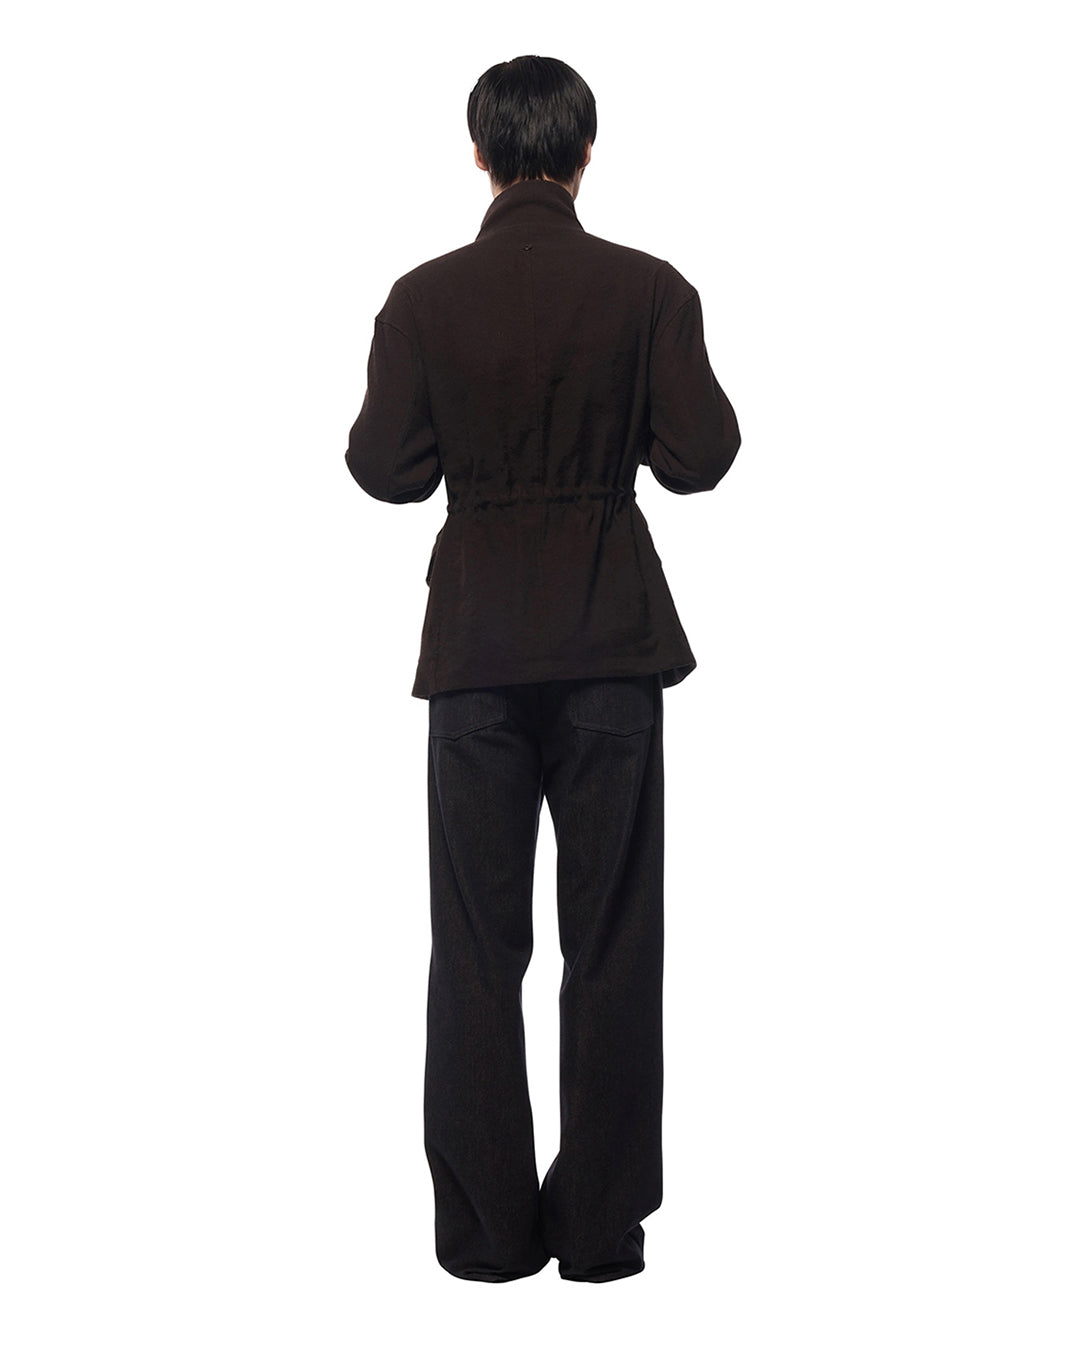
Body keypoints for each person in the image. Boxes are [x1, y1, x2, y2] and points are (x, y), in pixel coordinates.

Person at [344, 55, 741, 1282]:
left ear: (480, 154)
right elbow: (703, 455)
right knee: (611, 943)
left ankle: (485, 1235)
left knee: (475, 949)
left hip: (476, 653)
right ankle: (598, 1232)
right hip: (610, 648)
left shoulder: (423, 299)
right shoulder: (649, 290)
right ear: (584, 153)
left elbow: (385, 468)